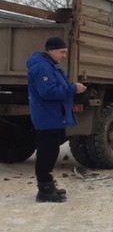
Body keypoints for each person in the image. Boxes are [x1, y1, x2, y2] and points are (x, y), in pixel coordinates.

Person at [27, 37, 87, 202]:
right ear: (51, 50)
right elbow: (48, 92)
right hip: (47, 117)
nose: (64, 55)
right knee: (47, 152)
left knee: (51, 151)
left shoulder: (49, 66)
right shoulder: (42, 68)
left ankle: (48, 185)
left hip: (51, 116)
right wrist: (73, 88)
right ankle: (44, 191)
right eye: (62, 52)